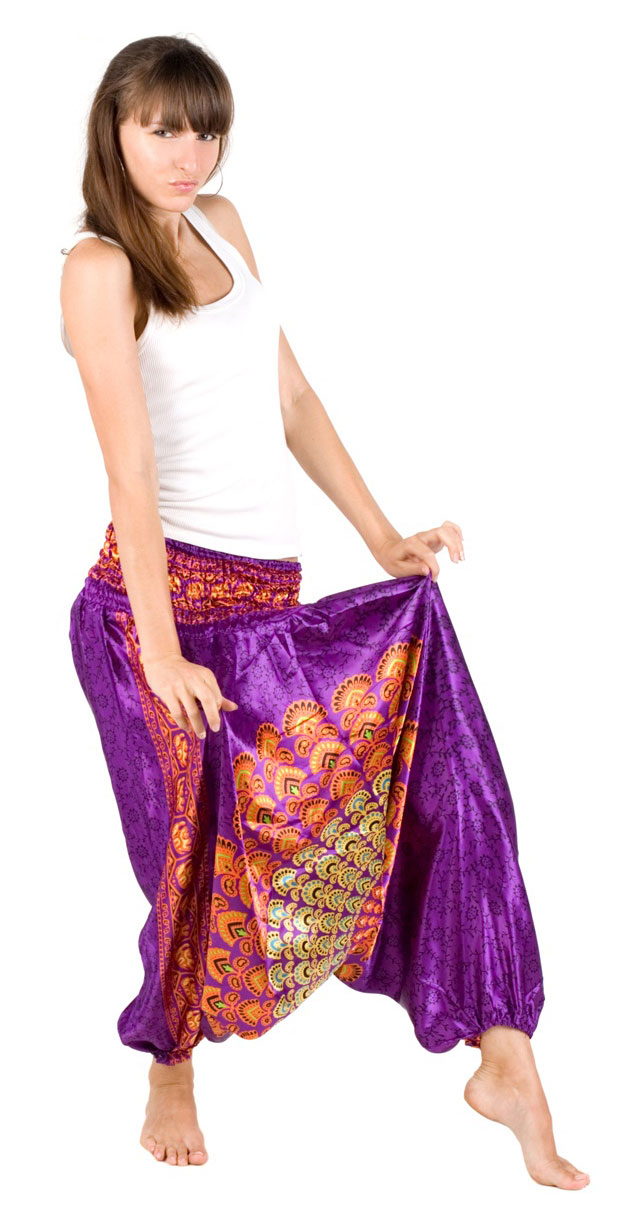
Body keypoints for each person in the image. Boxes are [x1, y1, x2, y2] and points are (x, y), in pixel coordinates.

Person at [60, 34, 588, 1188]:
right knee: (192, 861)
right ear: (116, 131)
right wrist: (162, 655)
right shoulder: (99, 267)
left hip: (268, 610)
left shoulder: (223, 226)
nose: (189, 154)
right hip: (153, 614)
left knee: (442, 761)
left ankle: (505, 1055)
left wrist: (381, 536)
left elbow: (289, 396)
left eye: (205, 130)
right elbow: (130, 470)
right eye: (163, 129)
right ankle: (169, 1065)